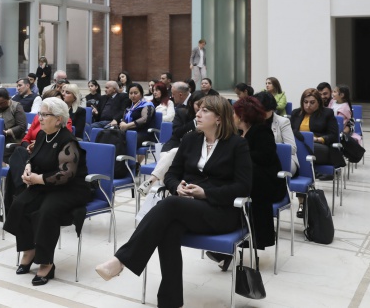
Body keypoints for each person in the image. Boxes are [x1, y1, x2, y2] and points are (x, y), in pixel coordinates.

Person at [95, 96, 253, 308]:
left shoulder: (237, 145)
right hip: (187, 209)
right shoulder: (190, 139)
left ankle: (121, 260)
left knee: (169, 205)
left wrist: (205, 193)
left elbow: (243, 186)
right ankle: (169, 302)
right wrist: (177, 186)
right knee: (169, 230)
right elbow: (171, 175)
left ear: (219, 118)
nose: (197, 114)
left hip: (220, 212)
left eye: (205, 111)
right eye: (199, 110)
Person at [3, 97, 91, 286]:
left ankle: (46, 262)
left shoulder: (68, 141)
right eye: (39, 114)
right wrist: (28, 168)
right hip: (45, 184)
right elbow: (34, 158)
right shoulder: (43, 135)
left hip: (69, 188)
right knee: (20, 203)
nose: (39, 118)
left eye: (45, 115)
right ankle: (29, 250)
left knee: (46, 212)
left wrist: (38, 179)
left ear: (58, 119)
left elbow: (66, 174)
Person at [206, 96, 285, 269]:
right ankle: (227, 246)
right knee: (225, 187)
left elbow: (265, 157)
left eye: (234, 114)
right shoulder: (239, 133)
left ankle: (228, 248)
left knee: (232, 191)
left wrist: (240, 154)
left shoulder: (262, 131)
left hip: (267, 183)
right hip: (252, 179)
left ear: (242, 116)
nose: (232, 117)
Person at [136, 91, 206, 196]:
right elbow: (177, 132)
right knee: (172, 156)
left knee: (173, 159)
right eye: (197, 104)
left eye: (203, 106)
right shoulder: (182, 113)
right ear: (191, 103)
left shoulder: (208, 119)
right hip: (171, 148)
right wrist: (194, 122)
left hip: (189, 152)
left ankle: (151, 182)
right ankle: (169, 195)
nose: (199, 108)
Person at [254, 91, 298, 175]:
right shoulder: (253, 121)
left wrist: (268, 148)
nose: (262, 114)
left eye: (265, 110)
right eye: (259, 111)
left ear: (272, 108)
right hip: (260, 159)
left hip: (283, 158)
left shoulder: (283, 122)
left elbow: (292, 148)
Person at [0, 87, 26, 160]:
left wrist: (8, 132)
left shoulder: (16, 107)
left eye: (2, 103)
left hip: (9, 138)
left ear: (8, 99)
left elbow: (22, 126)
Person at [113, 84, 156, 152]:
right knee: (112, 136)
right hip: (129, 132)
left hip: (143, 134)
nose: (133, 95)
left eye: (136, 93)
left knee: (124, 141)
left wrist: (127, 126)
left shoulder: (147, 104)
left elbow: (144, 119)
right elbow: (124, 119)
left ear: (141, 94)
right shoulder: (130, 106)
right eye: (131, 93)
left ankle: (125, 158)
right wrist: (122, 124)